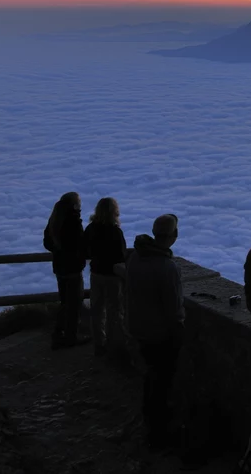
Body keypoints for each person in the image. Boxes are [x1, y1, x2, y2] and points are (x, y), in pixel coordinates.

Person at [126, 213, 184, 448]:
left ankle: (150, 422)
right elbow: (173, 309)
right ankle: (158, 433)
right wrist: (179, 332)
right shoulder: (167, 267)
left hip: (139, 328)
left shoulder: (136, 258)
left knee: (152, 377)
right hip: (160, 334)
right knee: (162, 382)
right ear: (174, 236)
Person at [44, 191, 89, 349]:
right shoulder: (73, 221)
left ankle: (58, 334)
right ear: (74, 204)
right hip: (73, 268)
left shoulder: (55, 219)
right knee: (75, 304)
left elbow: (47, 243)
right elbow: (80, 244)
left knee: (65, 303)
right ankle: (71, 336)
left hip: (59, 267)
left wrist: (59, 250)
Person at [84, 197, 127, 356]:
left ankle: (98, 344)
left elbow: (86, 249)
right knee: (114, 310)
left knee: (96, 309)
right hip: (112, 275)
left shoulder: (91, 228)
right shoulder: (115, 231)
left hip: (96, 273)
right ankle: (114, 344)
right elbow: (121, 254)